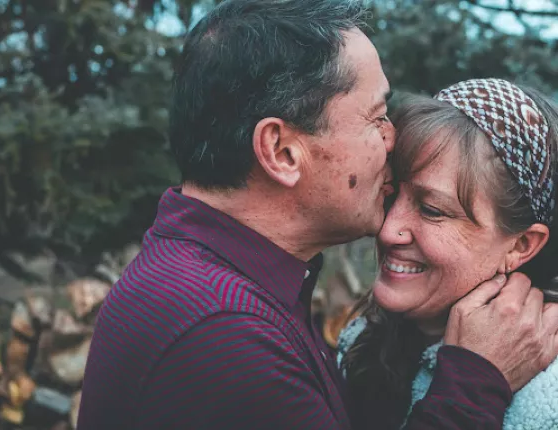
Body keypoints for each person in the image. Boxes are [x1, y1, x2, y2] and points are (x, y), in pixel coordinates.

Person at [76, 0, 558, 428]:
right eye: (376, 116)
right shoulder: (224, 337)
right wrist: (475, 383)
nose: (391, 139)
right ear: (283, 152)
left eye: (432, 209)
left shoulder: (226, 291)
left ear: (523, 245)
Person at [338, 78, 558, 430]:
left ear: (521, 245)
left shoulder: (548, 401)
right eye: (391, 195)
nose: (388, 230)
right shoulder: (357, 344)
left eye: (432, 210)